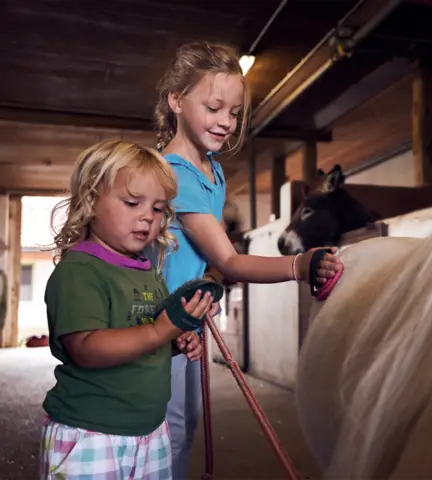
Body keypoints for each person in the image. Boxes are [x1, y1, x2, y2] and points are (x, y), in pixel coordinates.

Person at [154, 41, 343, 478]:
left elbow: (208, 257)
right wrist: (299, 266)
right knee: (165, 431)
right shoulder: (173, 173)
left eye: (235, 112)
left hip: (190, 315)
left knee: (184, 428)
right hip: (157, 314)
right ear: (176, 100)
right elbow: (230, 258)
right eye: (214, 107)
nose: (226, 121)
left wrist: (209, 281)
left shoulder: (213, 169)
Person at [39, 140, 217, 479]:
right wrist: (159, 331)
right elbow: (87, 348)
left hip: (150, 430)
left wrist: (174, 343)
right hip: (91, 433)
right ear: (91, 201)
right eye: (133, 202)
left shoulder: (147, 271)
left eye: (158, 208)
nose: (148, 216)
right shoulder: (80, 271)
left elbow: (140, 337)